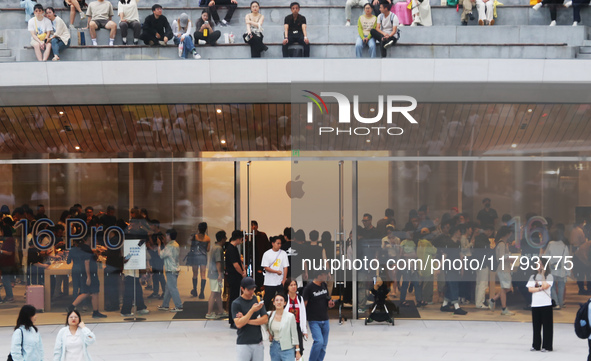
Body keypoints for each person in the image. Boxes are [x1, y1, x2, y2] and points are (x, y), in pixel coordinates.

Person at [66, 237, 107, 318]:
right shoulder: (86, 248)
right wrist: (88, 277)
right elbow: (87, 262)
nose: (94, 241)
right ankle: (95, 312)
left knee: (87, 292)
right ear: (87, 239)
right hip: (90, 274)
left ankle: (71, 307)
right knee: (93, 292)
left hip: (85, 273)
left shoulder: (81, 248)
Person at [232, 277, 268, 361]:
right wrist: (252, 311)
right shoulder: (236, 303)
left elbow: (265, 319)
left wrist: (245, 320)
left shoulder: (258, 300)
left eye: (253, 289)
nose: (252, 291)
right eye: (249, 289)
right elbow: (239, 324)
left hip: (258, 342)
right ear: (242, 289)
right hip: (243, 343)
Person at [303, 270, 335, 361]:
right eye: (325, 274)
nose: (326, 276)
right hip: (314, 320)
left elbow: (326, 300)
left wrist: (330, 304)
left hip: (325, 319)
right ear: (318, 275)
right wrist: (303, 321)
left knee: (324, 345)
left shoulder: (324, 285)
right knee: (319, 342)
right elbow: (304, 305)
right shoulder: (308, 288)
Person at [527, 262, 554, 352]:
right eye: (537, 264)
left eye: (540, 264)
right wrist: (539, 288)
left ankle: (547, 346)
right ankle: (536, 345)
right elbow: (530, 289)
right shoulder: (533, 277)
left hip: (546, 304)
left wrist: (542, 275)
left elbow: (545, 286)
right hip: (535, 304)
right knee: (536, 326)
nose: (538, 266)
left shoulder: (549, 276)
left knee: (547, 326)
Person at [489, 226, 515, 316]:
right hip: (503, 268)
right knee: (505, 288)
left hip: (504, 268)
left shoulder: (502, 243)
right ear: (507, 234)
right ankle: (503, 308)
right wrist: (510, 258)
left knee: (506, 288)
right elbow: (501, 257)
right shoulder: (501, 244)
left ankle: (493, 300)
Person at [267, 292, 300, 361]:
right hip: (274, 347)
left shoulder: (290, 316)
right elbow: (261, 321)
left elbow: (294, 334)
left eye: (281, 300)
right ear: (273, 303)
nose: (279, 302)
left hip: (287, 348)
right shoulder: (269, 314)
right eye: (277, 300)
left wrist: (297, 351)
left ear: (285, 303)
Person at [158, 229, 183, 312]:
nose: (166, 237)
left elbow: (161, 255)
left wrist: (159, 245)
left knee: (172, 288)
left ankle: (179, 306)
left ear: (169, 236)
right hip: (175, 268)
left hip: (170, 269)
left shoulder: (169, 246)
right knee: (168, 288)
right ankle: (165, 305)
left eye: (166, 235)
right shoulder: (176, 244)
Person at [543, 229, 569, 309]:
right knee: (561, 286)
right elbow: (566, 259)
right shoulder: (564, 246)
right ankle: (561, 303)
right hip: (562, 270)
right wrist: (568, 271)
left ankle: (556, 303)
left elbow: (545, 256)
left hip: (552, 269)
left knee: (552, 286)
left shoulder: (550, 244)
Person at [262, 236, 289, 310]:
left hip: (280, 281)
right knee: (267, 299)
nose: (279, 245)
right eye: (278, 243)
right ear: (273, 243)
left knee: (283, 298)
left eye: (280, 243)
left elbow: (285, 267)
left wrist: (284, 279)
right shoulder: (267, 254)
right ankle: (265, 314)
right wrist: (276, 271)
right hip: (270, 281)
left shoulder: (283, 253)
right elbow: (266, 267)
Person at [226, 230, 246, 329]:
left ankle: (234, 319)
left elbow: (239, 262)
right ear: (238, 239)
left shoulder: (233, 248)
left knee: (235, 297)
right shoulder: (231, 249)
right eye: (241, 239)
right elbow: (235, 264)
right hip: (233, 277)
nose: (241, 241)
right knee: (233, 299)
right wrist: (242, 273)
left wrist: (243, 270)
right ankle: (233, 320)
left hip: (235, 277)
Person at [284, 278, 307, 359]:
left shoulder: (300, 298)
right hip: (287, 327)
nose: (293, 287)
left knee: (299, 350)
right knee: (288, 349)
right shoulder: (284, 299)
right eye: (291, 285)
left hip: (297, 326)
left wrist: (304, 330)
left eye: (295, 285)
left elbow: (303, 315)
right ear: (287, 287)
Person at [206, 230, 227, 319]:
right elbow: (218, 262)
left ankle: (221, 310)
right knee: (214, 293)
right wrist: (219, 274)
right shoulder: (218, 248)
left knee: (218, 293)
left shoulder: (214, 247)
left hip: (213, 273)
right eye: (225, 238)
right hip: (215, 274)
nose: (226, 239)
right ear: (222, 239)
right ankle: (209, 313)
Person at [187, 222, 210, 299]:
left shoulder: (195, 237)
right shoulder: (208, 238)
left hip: (195, 257)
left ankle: (195, 290)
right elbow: (208, 249)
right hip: (203, 257)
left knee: (195, 274)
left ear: (198, 228)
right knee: (203, 274)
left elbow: (191, 247)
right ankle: (202, 292)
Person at [0, 223, 16, 303]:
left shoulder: (9, 240)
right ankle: (9, 296)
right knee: (6, 279)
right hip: (7, 262)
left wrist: (1, 251)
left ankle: (10, 296)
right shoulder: (9, 240)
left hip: (7, 263)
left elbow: (9, 253)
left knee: (6, 280)